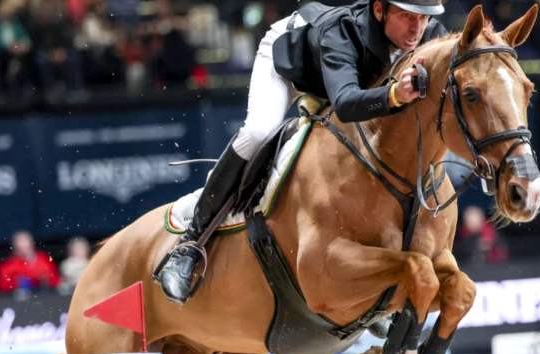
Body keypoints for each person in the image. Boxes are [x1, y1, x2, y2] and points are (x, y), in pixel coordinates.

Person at [157, 0, 448, 305]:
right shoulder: (344, 31)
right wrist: (393, 95)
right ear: (379, 10)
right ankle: (190, 244)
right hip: (291, 66)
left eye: (423, 18)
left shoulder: (430, 35)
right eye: (406, 16)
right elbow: (348, 104)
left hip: (343, 80)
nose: (417, 28)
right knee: (259, 132)